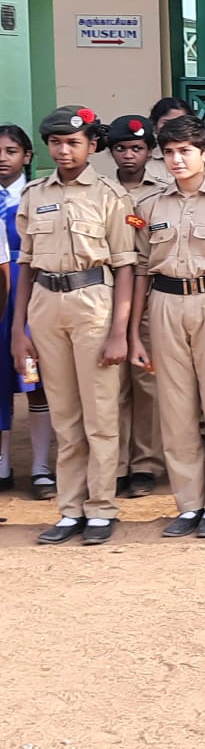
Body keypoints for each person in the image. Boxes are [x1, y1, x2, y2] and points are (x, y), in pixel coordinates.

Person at [10, 106, 136, 546]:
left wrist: (119, 331)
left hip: (92, 301)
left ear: (92, 146)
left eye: (73, 143)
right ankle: (70, 508)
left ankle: (100, 507)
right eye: (56, 142)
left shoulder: (109, 195)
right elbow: (25, 265)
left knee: (99, 413)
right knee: (64, 414)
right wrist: (19, 330)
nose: (64, 150)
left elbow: (125, 265)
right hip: (46, 303)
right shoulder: (34, 195)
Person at [130, 113, 205, 538]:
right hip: (165, 302)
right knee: (175, 408)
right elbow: (142, 268)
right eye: (169, 152)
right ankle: (188, 503)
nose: (177, 160)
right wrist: (136, 332)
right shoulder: (149, 206)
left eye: (185, 151)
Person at [104, 115, 169, 499]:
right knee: (111, 385)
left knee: (147, 384)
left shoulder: (162, 194)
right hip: (104, 295)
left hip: (149, 296)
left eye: (137, 148)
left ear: (149, 151)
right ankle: (116, 464)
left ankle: (145, 463)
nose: (129, 155)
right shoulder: (101, 191)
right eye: (121, 148)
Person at [0, 125, 50, 495]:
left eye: (11, 150)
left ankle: (41, 467)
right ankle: (2, 464)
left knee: (34, 380)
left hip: (29, 292)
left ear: (27, 156)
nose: (2, 158)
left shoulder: (37, 195)